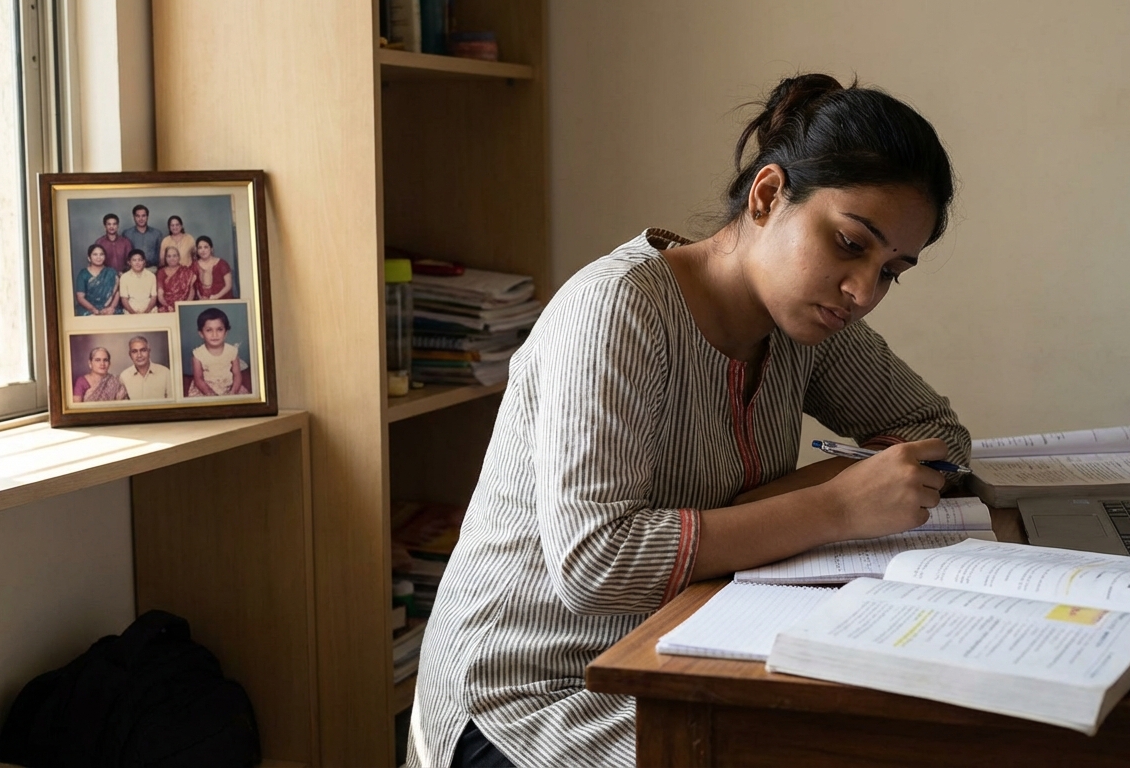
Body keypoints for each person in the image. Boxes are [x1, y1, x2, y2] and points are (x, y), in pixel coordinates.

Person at [407, 74, 971, 768]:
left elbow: (937, 431)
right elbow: (595, 563)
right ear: (767, 196)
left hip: (689, 641)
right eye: (851, 243)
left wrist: (777, 505)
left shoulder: (807, 321)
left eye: (892, 271)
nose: (863, 291)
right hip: (531, 693)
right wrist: (833, 507)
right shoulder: (619, 309)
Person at [186, 307, 248, 396]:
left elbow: (237, 375)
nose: (214, 334)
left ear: (226, 332)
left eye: (219, 329)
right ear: (201, 334)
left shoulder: (232, 351)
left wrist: (233, 392)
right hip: (206, 388)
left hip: (228, 386)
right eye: (209, 330)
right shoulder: (198, 354)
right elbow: (198, 379)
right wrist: (211, 395)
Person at [119, 335, 173, 400]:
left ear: (149, 351)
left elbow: (172, 403)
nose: (139, 355)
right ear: (130, 355)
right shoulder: (124, 376)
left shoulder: (165, 373)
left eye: (143, 350)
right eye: (134, 351)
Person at [73, 243, 120, 316]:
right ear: (89, 258)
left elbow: (116, 293)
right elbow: (80, 297)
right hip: (88, 308)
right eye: (95, 254)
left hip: (109, 308)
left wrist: (112, 307)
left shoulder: (111, 272)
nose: (99, 257)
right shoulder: (83, 274)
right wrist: (93, 310)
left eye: (101, 254)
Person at [121, 204, 165, 269]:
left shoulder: (157, 234)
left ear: (147, 216)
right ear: (134, 217)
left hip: (153, 269)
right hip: (133, 270)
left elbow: (161, 255)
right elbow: (125, 255)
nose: (141, 219)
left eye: (143, 216)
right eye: (138, 216)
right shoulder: (127, 234)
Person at [192, 235, 235, 300]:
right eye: (200, 248)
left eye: (206, 247)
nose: (203, 250)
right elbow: (192, 286)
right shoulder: (194, 265)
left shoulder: (222, 264)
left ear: (211, 249)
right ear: (197, 250)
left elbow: (228, 285)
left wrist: (216, 297)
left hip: (222, 301)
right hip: (202, 303)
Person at [156, 245, 197, 312]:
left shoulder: (187, 271)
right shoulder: (161, 272)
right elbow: (160, 294)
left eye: (174, 256)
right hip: (166, 306)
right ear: (165, 258)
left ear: (179, 257)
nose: (172, 258)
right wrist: (167, 306)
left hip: (184, 305)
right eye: (169, 256)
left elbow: (191, 292)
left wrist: (185, 306)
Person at [118, 250, 158, 314]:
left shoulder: (151, 276)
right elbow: (124, 299)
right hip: (131, 309)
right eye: (134, 260)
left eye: (140, 260)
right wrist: (133, 313)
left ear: (144, 262)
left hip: (149, 308)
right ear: (129, 262)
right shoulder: (124, 277)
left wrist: (146, 312)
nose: (137, 263)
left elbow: (153, 297)